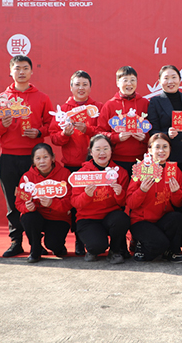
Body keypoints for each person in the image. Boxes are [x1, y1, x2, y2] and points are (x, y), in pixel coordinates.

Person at [0, 55, 53, 258]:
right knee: (12, 200)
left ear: (31, 71)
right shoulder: (1, 99)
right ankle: (16, 241)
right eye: (17, 68)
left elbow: (51, 125)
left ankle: (36, 243)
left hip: (34, 159)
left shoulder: (42, 97)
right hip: (8, 157)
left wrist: (39, 132)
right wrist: (3, 125)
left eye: (25, 68)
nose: (21, 72)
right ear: (10, 72)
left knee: (35, 199)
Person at [49, 70, 103, 256]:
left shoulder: (97, 108)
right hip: (72, 165)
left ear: (90, 87)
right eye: (77, 84)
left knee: (94, 201)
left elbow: (106, 132)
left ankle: (94, 238)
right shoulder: (63, 110)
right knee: (76, 204)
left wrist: (88, 129)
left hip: (95, 164)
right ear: (71, 87)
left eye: (84, 84)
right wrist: (65, 134)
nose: (81, 88)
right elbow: (54, 138)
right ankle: (79, 240)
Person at [125, 133, 182, 263]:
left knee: (178, 218)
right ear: (149, 150)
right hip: (141, 221)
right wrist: (142, 190)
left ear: (170, 149)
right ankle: (140, 244)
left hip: (162, 219)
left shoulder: (174, 171)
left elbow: (178, 204)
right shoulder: (141, 169)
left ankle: (172, 251)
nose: (161, 151)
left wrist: (176, 192)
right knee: (159, 245)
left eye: (165, 147)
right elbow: (131, 203)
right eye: (157, 147)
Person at [71, 135, 131, 263]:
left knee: (122, 218)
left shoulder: (120, 173)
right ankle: (92, 248)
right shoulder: (82, 174)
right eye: (97, 149)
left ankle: (115, 251)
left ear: (111, 151)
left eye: (106, 148)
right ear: (91, 152)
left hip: (110, 216)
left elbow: (123, 203)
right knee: (97, 246)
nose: (102, 153)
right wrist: (87, 195)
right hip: (88, 219)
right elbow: (75, 203)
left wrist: (119, 193)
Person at [15, 143, 72, 263]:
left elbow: (70, 202)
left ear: (53, 157)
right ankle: (35, 250)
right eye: (38, 158)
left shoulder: (65, 174)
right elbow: (19, 203)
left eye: (45, 157)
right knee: (28, 217)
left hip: (58, 217)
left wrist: (52, 203)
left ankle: (59, 246)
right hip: (38, 216)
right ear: (33, 161)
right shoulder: (27, 177)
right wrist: (27, 207)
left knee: (54, 246)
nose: (42, 161)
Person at [147, 65, 182, 183]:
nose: (170, 81)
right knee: (168, 186)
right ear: (160, 81)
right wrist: (166, 134)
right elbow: (153, 130)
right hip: (166, 155)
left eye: (174, 77)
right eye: (166, 78)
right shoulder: (155, 102)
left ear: (179, 79)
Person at [97, 66, 149, 174]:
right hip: (116, 160)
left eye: (133, 80)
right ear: (117, 83)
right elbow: (100, 132)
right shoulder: (109, 105)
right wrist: (117, 137)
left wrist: (145, 138)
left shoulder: (145, 103)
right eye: (125, 80)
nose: (129, 84)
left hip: (142, 159)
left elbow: (154, 130)